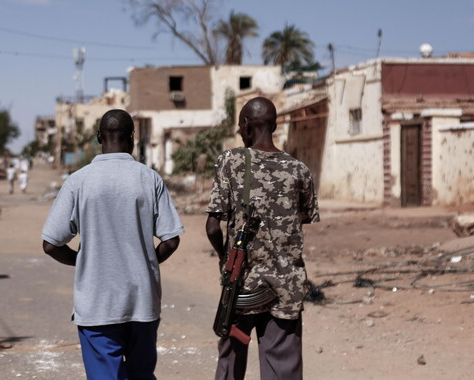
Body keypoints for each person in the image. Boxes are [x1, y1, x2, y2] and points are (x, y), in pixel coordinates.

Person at [42, 109, 184, 380]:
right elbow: (171, 240)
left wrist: (82, 260)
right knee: (141, 374)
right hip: (142, 301)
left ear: (98, 137)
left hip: (97, 304)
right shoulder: (149, 178)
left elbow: (51, 244)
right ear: (132, 138)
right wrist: (148, 261)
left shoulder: (78, 181)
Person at [206, 97, 319, 380]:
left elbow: (212, 226)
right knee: (283, 369)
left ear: (245, 127)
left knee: (230, 364)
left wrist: (224, 258)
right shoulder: (299, 170)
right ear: (275, 125)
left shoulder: (230, 161)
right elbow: (303, 218)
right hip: (286, 288)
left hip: (242, 285)